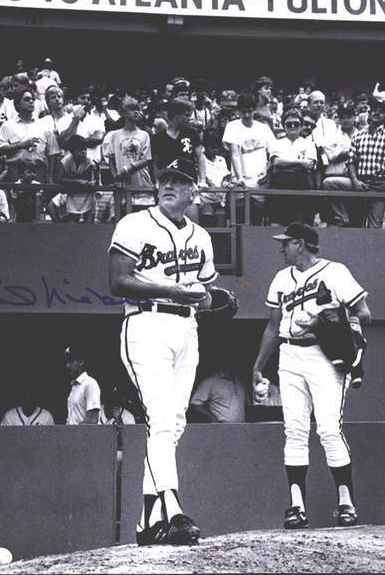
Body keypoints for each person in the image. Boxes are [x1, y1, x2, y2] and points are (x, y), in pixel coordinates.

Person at [108, 156, 219, 546]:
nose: (169, 184)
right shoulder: (134, 224)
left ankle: (145, 522)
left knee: (174, 422)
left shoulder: (201, 237)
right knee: (160, 418)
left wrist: (216, 299)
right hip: (145, 323)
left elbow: (204, 296)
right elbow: (118, 281)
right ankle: (172, 510)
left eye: (180, 179)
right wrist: (173, 290)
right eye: (165, 178)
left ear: (194, 190)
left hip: (186, 327)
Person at [252, 222, 371, 530]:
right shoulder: (281, 278)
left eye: (287, 242)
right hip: (290, 355)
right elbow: (272, 326)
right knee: (294, 430)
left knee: (329, 429)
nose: (282, 247)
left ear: (301, 244)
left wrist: (325, 319)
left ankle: (346, 503)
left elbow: (364, 313)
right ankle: (296, 506)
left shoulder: (335, 272)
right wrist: (258, 365)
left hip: (324, 355)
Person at [346, 99, 385, 228]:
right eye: (374, 110)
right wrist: (355, 181)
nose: (376, 113)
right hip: (361, 183)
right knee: (356, 225)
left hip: (380, 184)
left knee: (375, 225)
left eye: (381, 112)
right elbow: (351, 161)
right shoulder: (358, 135)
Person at [222, 93, 276, 225]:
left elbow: (274, 154)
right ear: (238, 111)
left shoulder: (263, 128)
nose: (246, 115)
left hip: (260, 183)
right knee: (239, 220)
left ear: (254, 110)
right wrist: (240, 177)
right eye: (243, 112)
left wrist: (267, 171)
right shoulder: (232, 126)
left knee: (257, 220)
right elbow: (234, 153)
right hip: (241, 183)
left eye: (249, 111)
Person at [103, 96, 155, 217]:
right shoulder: (115, 135)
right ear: (123, 113)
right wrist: (115, 176)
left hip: (141, 183)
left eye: (138, 109)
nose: (136, 112)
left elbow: (146, 159)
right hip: (123, 185)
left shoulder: (144, 134)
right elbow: (111, 158)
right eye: (132, 109)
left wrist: (127, 170)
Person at [267, 109, 318, 226]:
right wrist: (300, 162)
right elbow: (276, 162)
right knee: (276, 225)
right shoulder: (276, 143)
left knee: (300, 226)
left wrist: (287, 163)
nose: (293, 126)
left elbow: (310, 165)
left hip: (302, 187)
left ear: (301, 125)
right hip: (280, 188)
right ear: (284, 126)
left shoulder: (309, 144)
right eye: (289, 124)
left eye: (296, 123)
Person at [63, 346, 101, 425]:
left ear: (81, 362)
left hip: (83, 436)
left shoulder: (90, 383)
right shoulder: (74, 385)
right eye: (66, 362)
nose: (67, 365)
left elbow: (92, 420)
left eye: (71, 362)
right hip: (71, 435)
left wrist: (77, 434)